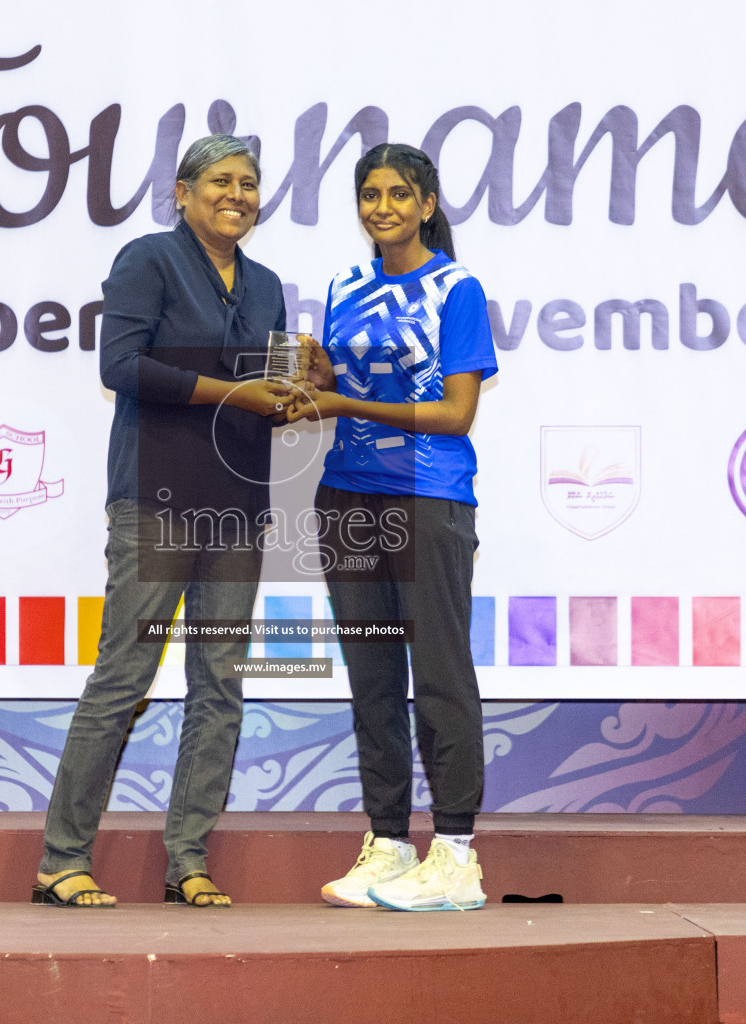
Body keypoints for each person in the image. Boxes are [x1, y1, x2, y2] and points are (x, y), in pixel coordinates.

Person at [35, 135, 291, 908]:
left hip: (238, 509)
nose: (237, 194)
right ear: (182, 192)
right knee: (125, 677)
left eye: (249, 182)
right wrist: (234, 392)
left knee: (221, 686)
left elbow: (270, 400)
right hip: (156, 503)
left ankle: (188, 859)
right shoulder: (147, 259)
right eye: (221, 180)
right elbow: (120, 367)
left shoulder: (270, 284)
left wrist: (302, 386)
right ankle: (61, 859)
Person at [287, 143, 497, 911]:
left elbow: (455, 413)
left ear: (428, 204)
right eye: (369, 195)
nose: (382, 208)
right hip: (345, 496)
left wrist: (345, 404)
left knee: (440, 674)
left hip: (429, 499)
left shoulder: (457, 288)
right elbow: (341, 386)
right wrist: (321, 381)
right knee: (372, 677)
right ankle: (385, 842)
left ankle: (456, 854)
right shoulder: (345, 284)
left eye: (398, 195)